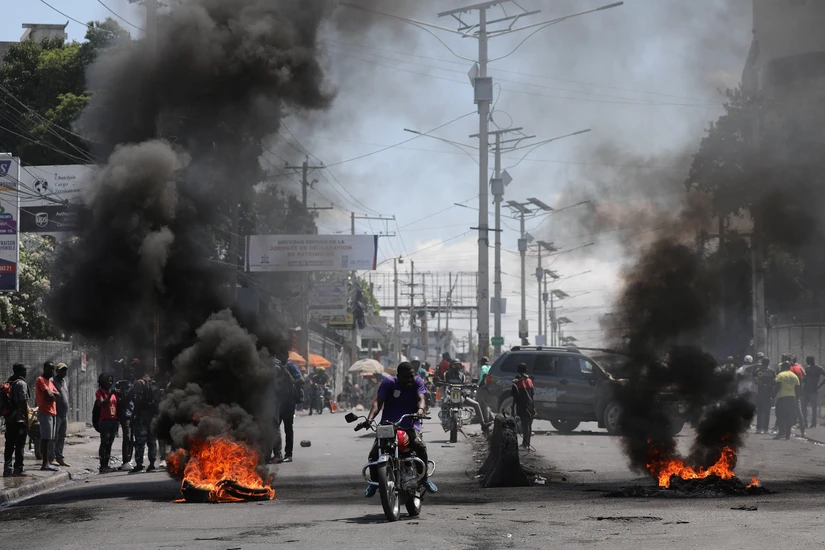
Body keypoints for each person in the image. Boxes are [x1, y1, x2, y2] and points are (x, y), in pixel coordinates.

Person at [362, 362, 436, 497]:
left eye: (411, 376)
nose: (409, 380)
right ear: (398, 376)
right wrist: (370, 419)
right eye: (406, 377)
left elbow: (421, 398)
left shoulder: (418, 382)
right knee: (374, 454)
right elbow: (378, 403)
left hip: (410, 424)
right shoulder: (388, 383)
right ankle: (374, 482)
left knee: (419, 446)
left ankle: (424, 478)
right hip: (388, 425)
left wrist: (420, 410)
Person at [443, 360, 490, 430]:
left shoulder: (462, 375)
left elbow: (464, 385)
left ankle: (483, 424)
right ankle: (444, 421)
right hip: (450, 395)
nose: (456, 367)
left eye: (458, 365)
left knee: (476, 404)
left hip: (460, 396)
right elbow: (444, 385)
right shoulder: (446, 374)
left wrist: (471, 385)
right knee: (443, 404)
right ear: (451, 366)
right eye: (454, 365)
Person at [272, 360, 303, 464]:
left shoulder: (291, 366)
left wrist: (292, 383)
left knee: (288, 429)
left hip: (289, 403)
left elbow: (300, 379)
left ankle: (288, 454)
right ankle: (277, 454)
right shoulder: (274, 365)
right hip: (279, 403)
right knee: (275, 428)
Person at [131, 365, 159, 473]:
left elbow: (137, 401)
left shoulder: (139, 383)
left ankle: (139, 464)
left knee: (140, 441)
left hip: (142, 417)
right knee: (152, 441)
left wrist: (134, 415)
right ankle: (152, 464)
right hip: (152, 417)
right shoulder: (153, 383)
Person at [3, 363, 29, 477]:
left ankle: (7, 469)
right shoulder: (21, 383)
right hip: (19, 420)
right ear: (21, 372)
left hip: (9, 419)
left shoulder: (9, 382)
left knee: (9, 444)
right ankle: (18, 469)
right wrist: (27, 419)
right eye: (25, 371)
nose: (26, 373)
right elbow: (23, 402)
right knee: (20, 445)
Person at [35, 361, 60, 471]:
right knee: (45, 438)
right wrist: (51, 394)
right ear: (45, 369)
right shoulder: (40, 380)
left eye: (53, 369)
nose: (52, 371)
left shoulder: (49, 382)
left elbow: (58, 394)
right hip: (45, 412)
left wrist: (52, 394)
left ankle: (48, 462)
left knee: (50, 438)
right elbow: (48, 395)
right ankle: (44, 463)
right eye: (50, 369)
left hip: (52, 412)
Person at [114, 361, 136, 471]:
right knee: (127, 437)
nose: (130, 375)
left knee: (131, 438)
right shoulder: (121, 384)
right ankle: (125, 461)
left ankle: (128, 460)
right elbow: (123, 398)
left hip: (131, 413)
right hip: (124, 414)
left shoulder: (132, 384)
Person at [95, 373, 118, 473]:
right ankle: (102, 465)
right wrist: (110, 395)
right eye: (108, 380)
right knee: (104, 442)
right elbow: (103, 404)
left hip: (113, 420)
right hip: (105, 421)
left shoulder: (112, 392)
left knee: (110, 443)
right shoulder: (99, 392)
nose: (110, 383)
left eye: (111, 380)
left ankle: (106, 465)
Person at [49, 363, 71, 467]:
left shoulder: (64, 381)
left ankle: (60, 457)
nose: (64, 372)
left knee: (62, 437)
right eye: (62, 370)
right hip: (56, 413)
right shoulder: (52, 381)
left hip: (64, 414)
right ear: (57, 371)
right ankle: (52, 457)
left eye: (65, 370)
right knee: (54, 437)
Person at [511, 363, 536, 449]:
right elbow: (532, 395)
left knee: (525, 425)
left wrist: (512, 408)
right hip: (529, 404)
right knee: (528, 425)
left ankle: (525, 444)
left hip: (521, 405)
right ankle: (527, 444)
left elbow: (515, 397)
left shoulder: (516, 382)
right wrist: (533, 407)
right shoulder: (529, 380)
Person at [774, 361, 801, 440]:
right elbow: (798, 389)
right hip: (792, 397)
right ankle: (788, 434)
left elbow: (777, 387)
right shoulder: (794, 376)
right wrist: (797, 399)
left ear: (783, 367)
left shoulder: (781, 375)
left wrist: (772, 396)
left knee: (780, 415)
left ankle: (782, 431)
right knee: (789, 416)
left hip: (782, 397)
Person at [753, 358, 776, 434]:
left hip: (760, 393)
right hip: (768, 394)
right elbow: (774, 383)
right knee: (767, 412)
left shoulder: (757, 371)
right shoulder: (772, 372)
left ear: (762, 363)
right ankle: (766, 429)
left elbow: (755, 382)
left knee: (759, 411)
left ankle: (759, 429)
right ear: (768, 363)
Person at [801, 356, 825, 428]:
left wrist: (820, 385)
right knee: (803, 407)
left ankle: (813, 424)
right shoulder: (807, 368)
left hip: (813, 390)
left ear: (811, 361)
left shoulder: (819, 368)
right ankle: (805, 422)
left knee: (814, 408)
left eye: (807, 360)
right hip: (805, 390)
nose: (806, 362)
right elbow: (804, 379)